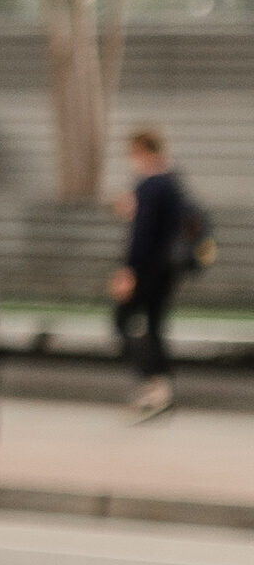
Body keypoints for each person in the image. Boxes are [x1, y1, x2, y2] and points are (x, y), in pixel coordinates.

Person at [111, 125, 198, 422]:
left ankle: (153, 383)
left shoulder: (149, 185)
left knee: (123, 321)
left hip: (148, 269)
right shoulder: (173, 181)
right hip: (169, 269)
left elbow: (143, 234)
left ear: (142, 151)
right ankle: (161, 387)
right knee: (155, 326)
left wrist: (128, 271)